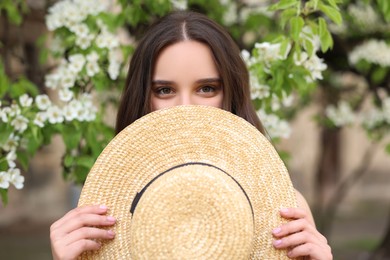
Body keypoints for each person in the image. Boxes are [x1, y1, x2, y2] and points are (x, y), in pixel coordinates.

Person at [50, 11, 332, 259]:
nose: (185, 107)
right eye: (164, 90)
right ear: (142, 98)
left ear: (231, 93)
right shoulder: (98, 220)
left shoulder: (286, 211)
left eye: (207, 88)